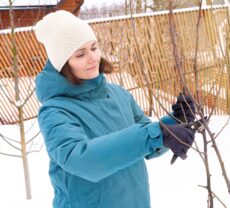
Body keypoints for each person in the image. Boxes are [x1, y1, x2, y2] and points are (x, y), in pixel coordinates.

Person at [34, 10, 196, 208]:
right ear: (63, 64)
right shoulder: (55, 111)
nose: (92, 58)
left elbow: (149, 144)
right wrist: (155, 134)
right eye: (80, 54)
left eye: (93, 47)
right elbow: (81, 159)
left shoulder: (117, 94)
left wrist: (174, 122)